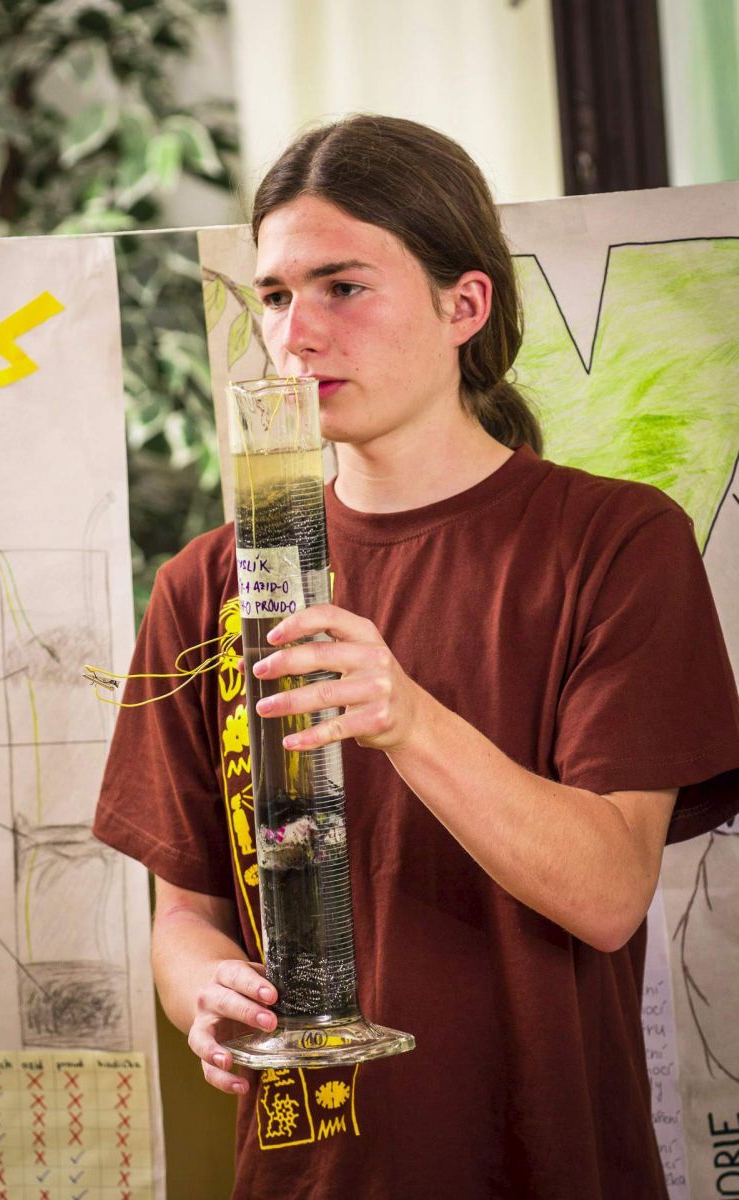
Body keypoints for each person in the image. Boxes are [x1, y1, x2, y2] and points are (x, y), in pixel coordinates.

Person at [94, 115, 739, 1199]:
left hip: (548, 1167)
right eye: (275, 295)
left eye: (343, 287)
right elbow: (185, 917)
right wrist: (204, 991)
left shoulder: (614, 544)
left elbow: (608, 893)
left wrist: (409, 719)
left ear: (463, 306)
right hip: (301, 1175)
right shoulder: (206, 583)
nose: (296, 334)